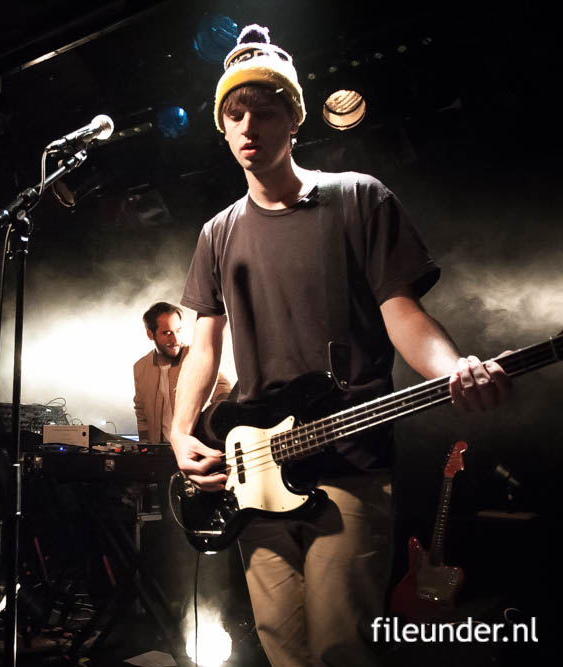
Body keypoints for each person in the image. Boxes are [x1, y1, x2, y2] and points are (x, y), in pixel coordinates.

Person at [169, 25, 512, 667]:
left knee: (338, 649)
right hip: (257, 468)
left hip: (350, 461)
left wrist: (453, 369)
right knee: (281, 646)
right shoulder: (216, 233)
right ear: (222, 128)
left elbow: (402, 312)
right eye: (234, 115)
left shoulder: (358, 197)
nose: (248, 126)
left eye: (264, 111)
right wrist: (178, 429)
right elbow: (204, 348)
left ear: (295, 119)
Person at [133, 302, 232, 444]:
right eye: (167, 333)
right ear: (150, 334)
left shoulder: (195, 357)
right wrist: (145, 443)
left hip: (195, 446)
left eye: (178, 331)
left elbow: (223, 391)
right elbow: (141, 412)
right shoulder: (140, 367)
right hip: (161, 451)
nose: (175, 339)